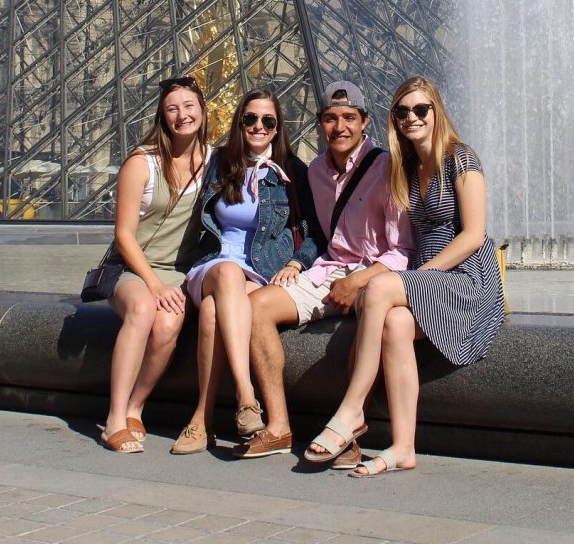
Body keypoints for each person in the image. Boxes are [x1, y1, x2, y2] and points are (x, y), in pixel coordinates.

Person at [304, 75, 504, 476]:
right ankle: (403, 446)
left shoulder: (461, 158)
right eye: (402, 111)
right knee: (395, 324)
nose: (411, 117)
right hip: (428, 278)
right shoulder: (407, 167)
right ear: (393, 119)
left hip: (465, 279)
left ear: (436, 111)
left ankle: (352, 408)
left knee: (379, 288)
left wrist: (420, 278)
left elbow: (473, 235)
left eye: (420, 109)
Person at [233, 80, 413, 463]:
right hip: (328, 272)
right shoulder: (313, 171)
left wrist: (358, 281)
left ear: (365, 121)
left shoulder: (387, 167)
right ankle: (279, 426)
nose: (340, 127)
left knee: (374, 316)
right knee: (256, 306)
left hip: (375, 275)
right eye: (330, 119)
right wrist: (298, 263)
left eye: (349, 117)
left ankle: (347, 433)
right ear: (320, 124)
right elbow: (315, 231)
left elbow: (402, 250)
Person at [170, 88, 321, 455]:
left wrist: (295, 262)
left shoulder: (292, 170)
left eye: (267, 121)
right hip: (213, 264)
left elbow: (317, 229)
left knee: (212, 312)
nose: (258, 126)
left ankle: (202, 418)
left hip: (260, 270)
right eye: (250, 118)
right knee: (226, 274)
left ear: (277, 127)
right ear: (239, 122)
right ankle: (245, 394)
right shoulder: (219, 162)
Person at [101, 76, 212, 453]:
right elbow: (124, 236)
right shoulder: (141, 162)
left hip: (178, 271)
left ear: (203, 108)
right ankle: (115, 417)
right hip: (132, 268)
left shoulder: (215, 160)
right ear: (163, 117)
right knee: (145, 309)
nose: (183, 115)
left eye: (189, 106)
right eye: (172, 108)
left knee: (167, 327)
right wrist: (154, 284)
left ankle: (136, 406)